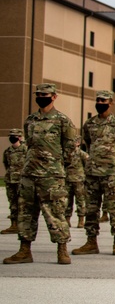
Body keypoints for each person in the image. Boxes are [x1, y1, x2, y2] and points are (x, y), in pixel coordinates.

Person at [3, 83, 77, 265]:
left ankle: (62, 250)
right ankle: (24, 250)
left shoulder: (62, 120)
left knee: (55, 214)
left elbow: (69, 149)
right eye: (39, 94)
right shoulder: (30, 120)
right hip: (29, 175)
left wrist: (55, 167)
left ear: (54, 97)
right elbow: (29, 144)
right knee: (26, 213)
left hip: (51, 177)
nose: (41, 97)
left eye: (45, 94)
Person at [74, 90, 115, 256]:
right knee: (91, 209)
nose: (100, 103)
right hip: (93, 173)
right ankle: (91, 241)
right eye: (98, 100)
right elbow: (87, 144)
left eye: (104, 100)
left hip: (113, 174)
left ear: (111, 102)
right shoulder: (89, 124)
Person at [2, 129, 27, 234]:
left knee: (23, 204)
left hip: (22, 181)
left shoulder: (26, 150)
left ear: (20, 137)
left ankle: (24, 227)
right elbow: (6, 164)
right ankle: (14, 225)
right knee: (12, 203)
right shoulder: (8, 151)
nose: (12, 137)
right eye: (11, 135)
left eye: (15, 136)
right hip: (10, 180)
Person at [64, 138, 88, 229]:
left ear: (78, 143)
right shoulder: (66, 153)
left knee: (80, 201)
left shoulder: (81, 153)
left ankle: (81, 220)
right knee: (67, 201)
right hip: (67, 180)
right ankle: (67, 219)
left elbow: (87, 164)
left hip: (78, 180)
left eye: (75, 142)